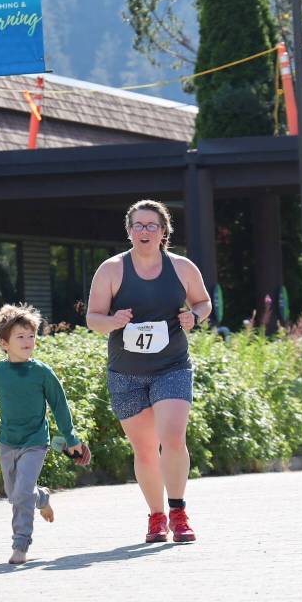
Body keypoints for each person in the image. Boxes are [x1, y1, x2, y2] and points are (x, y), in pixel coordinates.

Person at [86, 199, 211, 543]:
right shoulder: (111, 270)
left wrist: (194, 317)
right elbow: (93, 318)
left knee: (172, 437)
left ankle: (179, 512)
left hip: (171, 365)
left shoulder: (182, 268)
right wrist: (112, 321)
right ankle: (156, 517)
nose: (144, 231)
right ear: (129, 232)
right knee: (144, 450)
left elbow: (203, 301)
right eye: (137, 226)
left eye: (151, 226)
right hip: (126, 372)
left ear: (163, 232)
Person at [0, 303, 86, 565]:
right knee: (15, 494)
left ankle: (20, 545)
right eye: (20, 337)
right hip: (7, 443)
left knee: (21, 493)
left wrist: (71, 438)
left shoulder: (42, 373)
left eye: (31, 336)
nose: (27, 341)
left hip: (36, 442)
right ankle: (41, 496)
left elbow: (59, 405)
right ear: (4, 343)